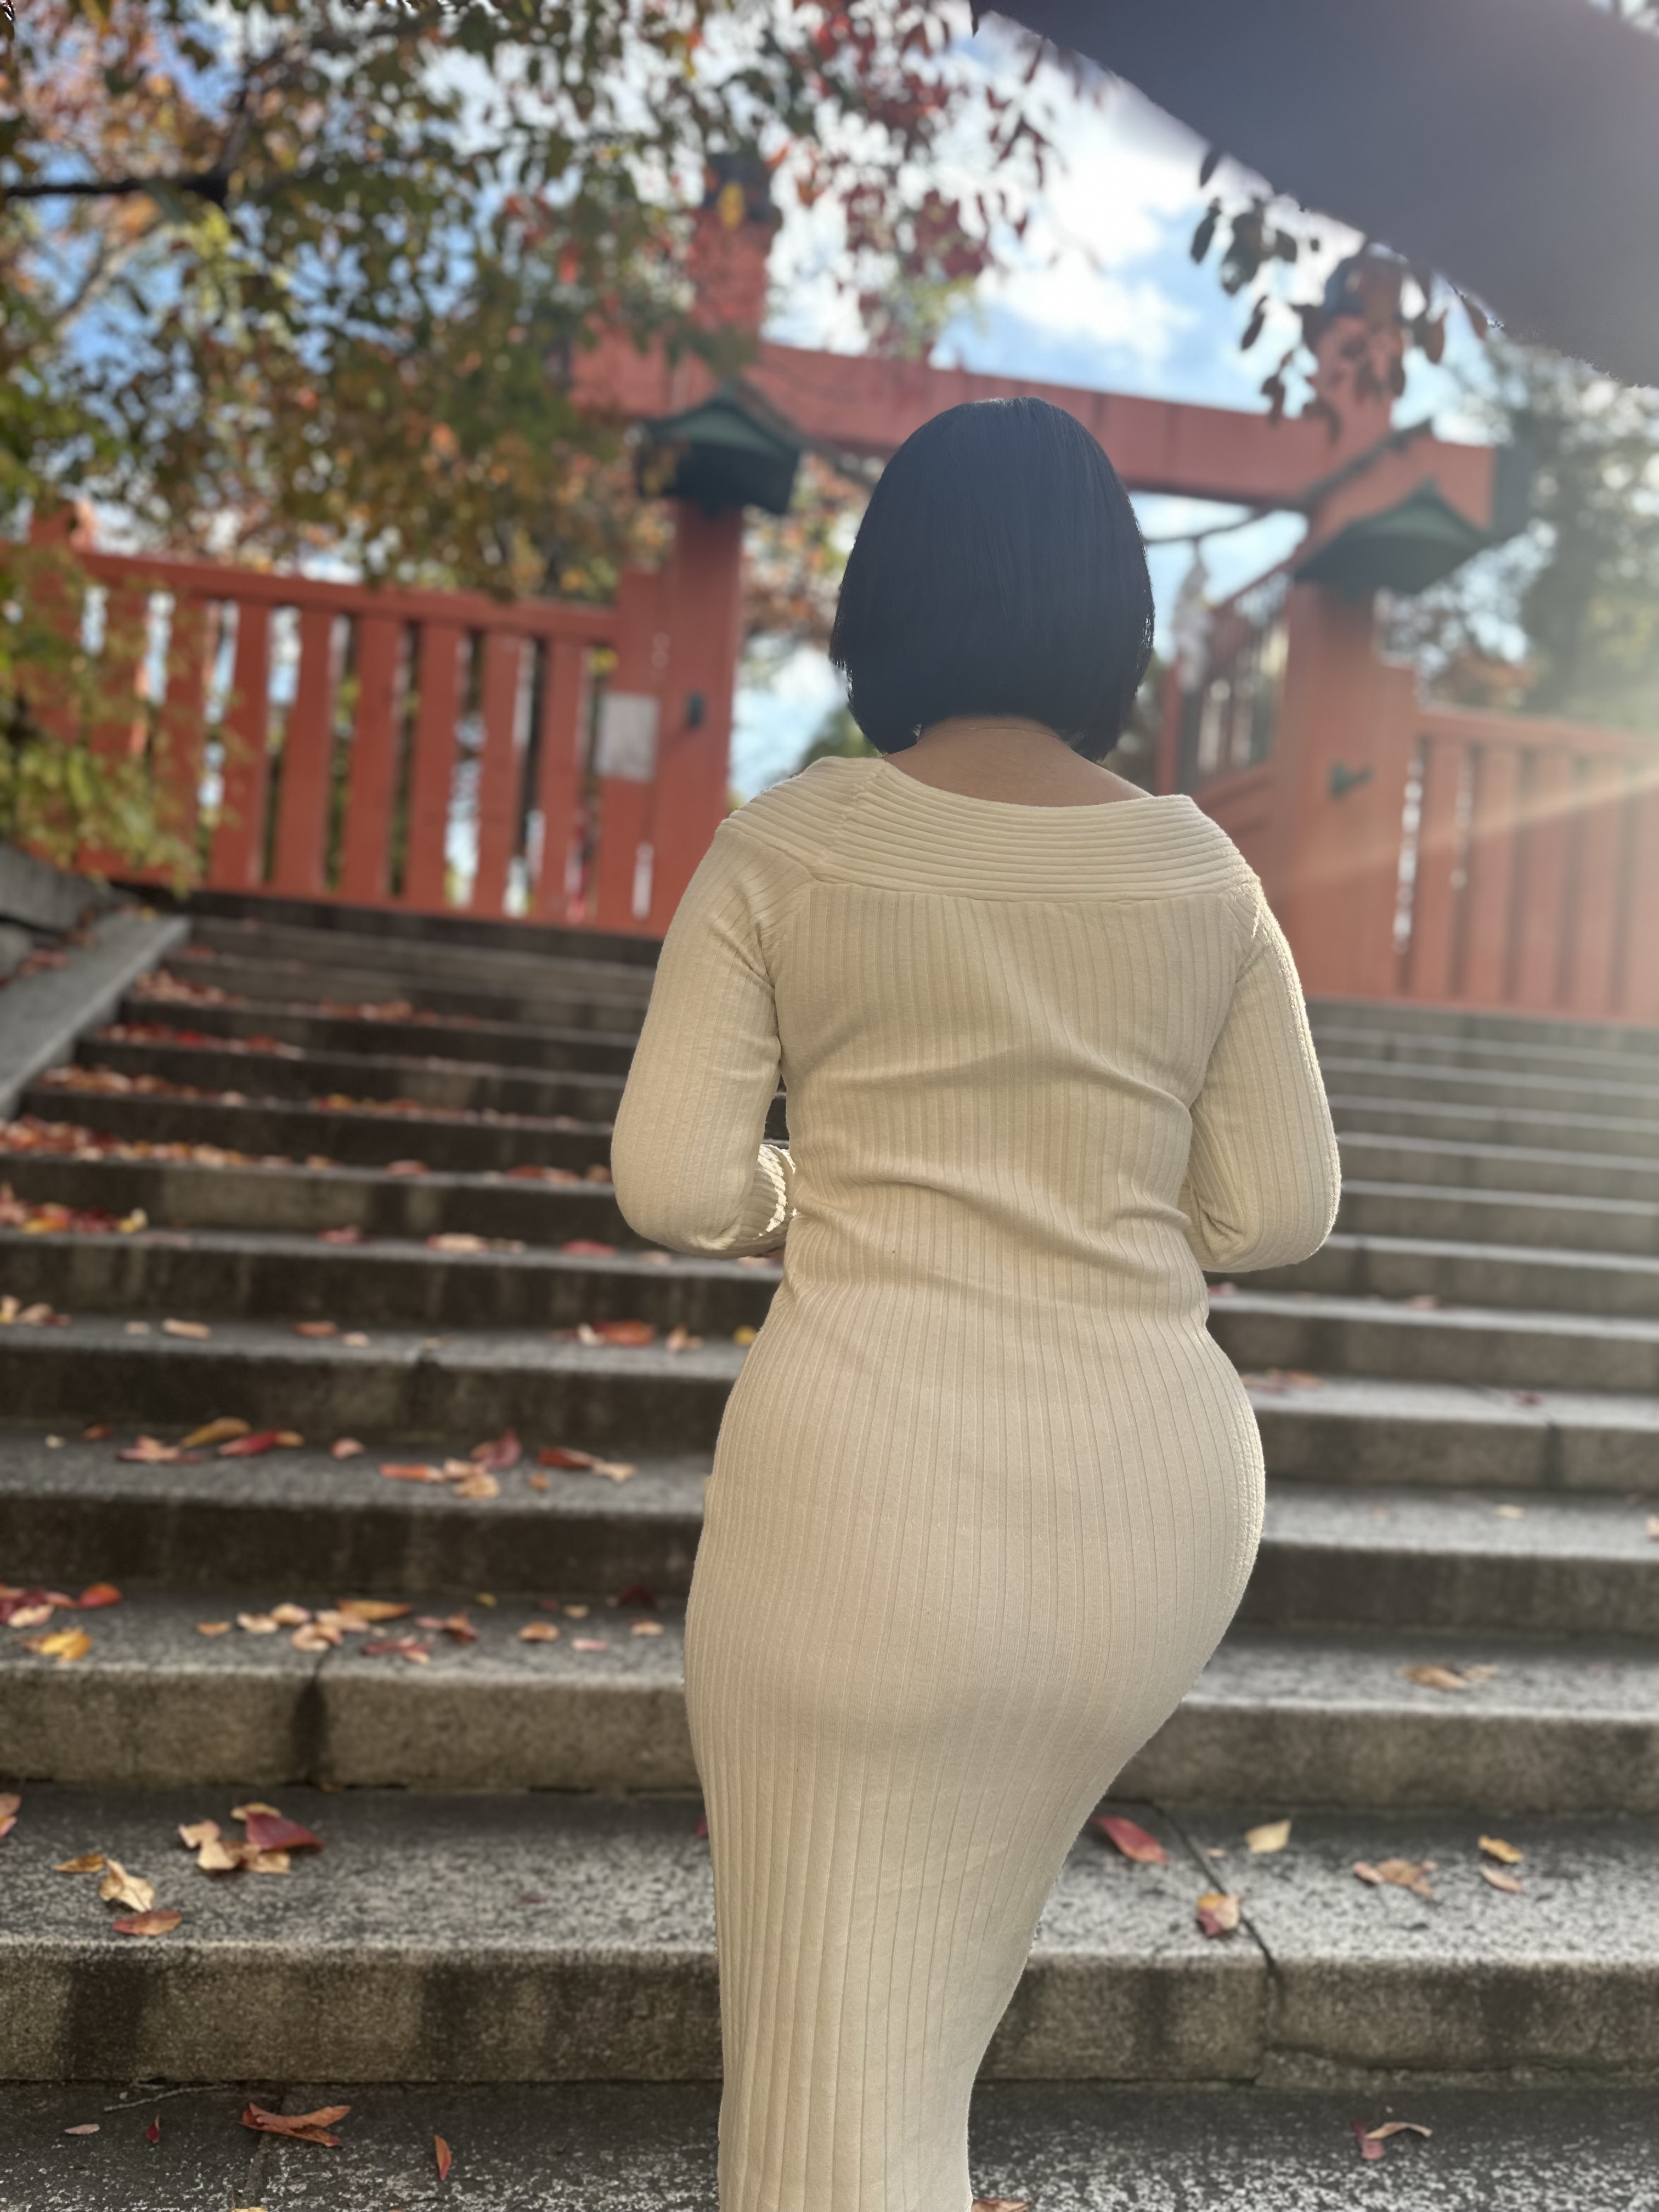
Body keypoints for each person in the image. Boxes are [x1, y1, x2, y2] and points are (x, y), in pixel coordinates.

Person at [610, 395, 1340, 2212]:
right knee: (914, 2047)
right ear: (1114, 618)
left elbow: (677, 1184)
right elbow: (1280, 1210)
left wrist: (805, 1191)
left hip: (863, 1508)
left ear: (886, 601)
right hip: (1147, 1512)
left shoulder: (794, 843)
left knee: (826, 2103)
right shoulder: (1202, 870)